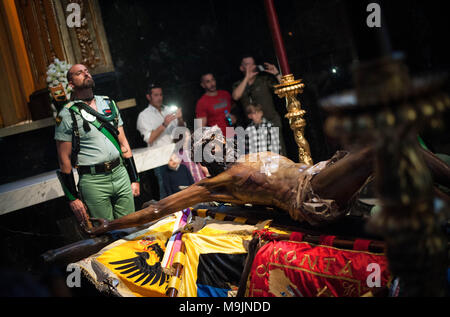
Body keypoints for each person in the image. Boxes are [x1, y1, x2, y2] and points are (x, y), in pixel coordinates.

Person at [55, 64, 140, 226]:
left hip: (120, 174)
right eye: (79, 73)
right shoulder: (67, 114)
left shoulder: (108, 103)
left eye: (87, 71)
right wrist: (72, 198)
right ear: (71, 84)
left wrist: (134, 178)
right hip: (94, 182)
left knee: (131, 227)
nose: (86, 74)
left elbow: (124, 143)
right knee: (106, 234)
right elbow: (64, 160)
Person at [137, 83, 185, 199]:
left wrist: (180, 119)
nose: (159, 98)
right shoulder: (143, 116)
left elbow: (181, 132)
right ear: (149, 97)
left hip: (176, 155)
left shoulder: (169, 110)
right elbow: (150, 138)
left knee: (182, 188)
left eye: (161, 95)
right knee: (167, 193)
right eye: (156, 95)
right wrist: (164, 124)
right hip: (160, 160)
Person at [231, 55, 286, 155]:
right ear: (241, 68)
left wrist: (277, 74)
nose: (251, 66)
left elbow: (285, 90)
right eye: (248, 64)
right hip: (253, 128)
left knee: (278, 155)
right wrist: (247, 78)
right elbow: (236, 96)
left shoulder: (264, 80)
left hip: (271, 123)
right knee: (259, 159)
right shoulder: (239, 84)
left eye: (253, 64)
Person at [196, 73, 233, 137]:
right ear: (203, 85)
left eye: (213, 80)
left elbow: (233, 109)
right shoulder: (201, 102)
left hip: (232, 135)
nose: (212, 84)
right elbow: (200, 128)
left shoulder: (225, 94)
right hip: (217, 140)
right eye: (208, 82)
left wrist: (234, 117)